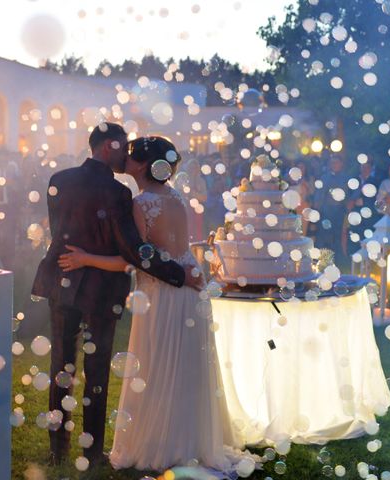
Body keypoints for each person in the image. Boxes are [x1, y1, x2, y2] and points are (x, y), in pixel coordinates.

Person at [58, 136, 249, 473]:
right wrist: (187, 270)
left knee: (156, 364)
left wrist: (86, 258)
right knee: (184, 366)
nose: (125, 159)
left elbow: (134, 259)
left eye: (131, 155)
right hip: (190, 286)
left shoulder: (142, 202)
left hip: (162, 292)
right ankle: (189, 442)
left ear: (143, 165)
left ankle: (158, 446)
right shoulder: (176, 197)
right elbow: (173, 248)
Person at [31, 124, 199, 467]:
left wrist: (78, 259)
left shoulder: (58, 179)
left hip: (62, 279)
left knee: (60, 364)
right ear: (109, 146)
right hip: (99, 289)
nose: (127, 154)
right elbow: (134, 250)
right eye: (123, 146)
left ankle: (57, 447)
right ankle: (91, 452)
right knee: (96, 370)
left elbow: (60, 231)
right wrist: (178, 274)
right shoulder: (118, 194)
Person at [313, 155, 348, 261]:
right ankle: (322, 260)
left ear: (341, 164)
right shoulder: (324, 177)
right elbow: (319, 194)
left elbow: (348, 195)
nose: (334, 165)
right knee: (323, 236)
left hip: (339, 211)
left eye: (336, 162)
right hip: (325, 211)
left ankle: (337, 261)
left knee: (337, 237)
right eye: (332, 163)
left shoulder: (346, 178)